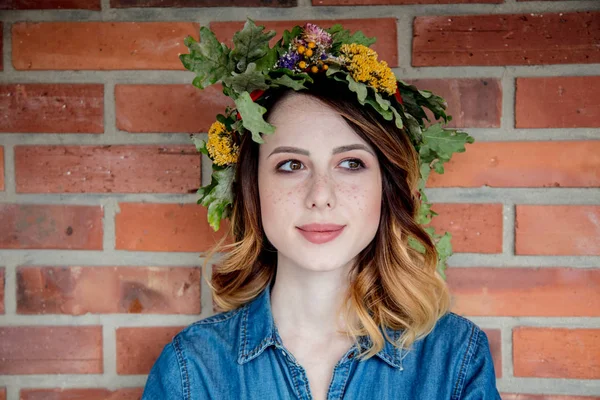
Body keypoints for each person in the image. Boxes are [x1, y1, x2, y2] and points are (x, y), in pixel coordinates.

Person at [142, 20, 500, 399]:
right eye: (292, 165)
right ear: (253, 190)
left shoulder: (455, 359)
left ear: (386, 188)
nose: (320, 195)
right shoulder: (191, 370)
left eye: (350, 163)